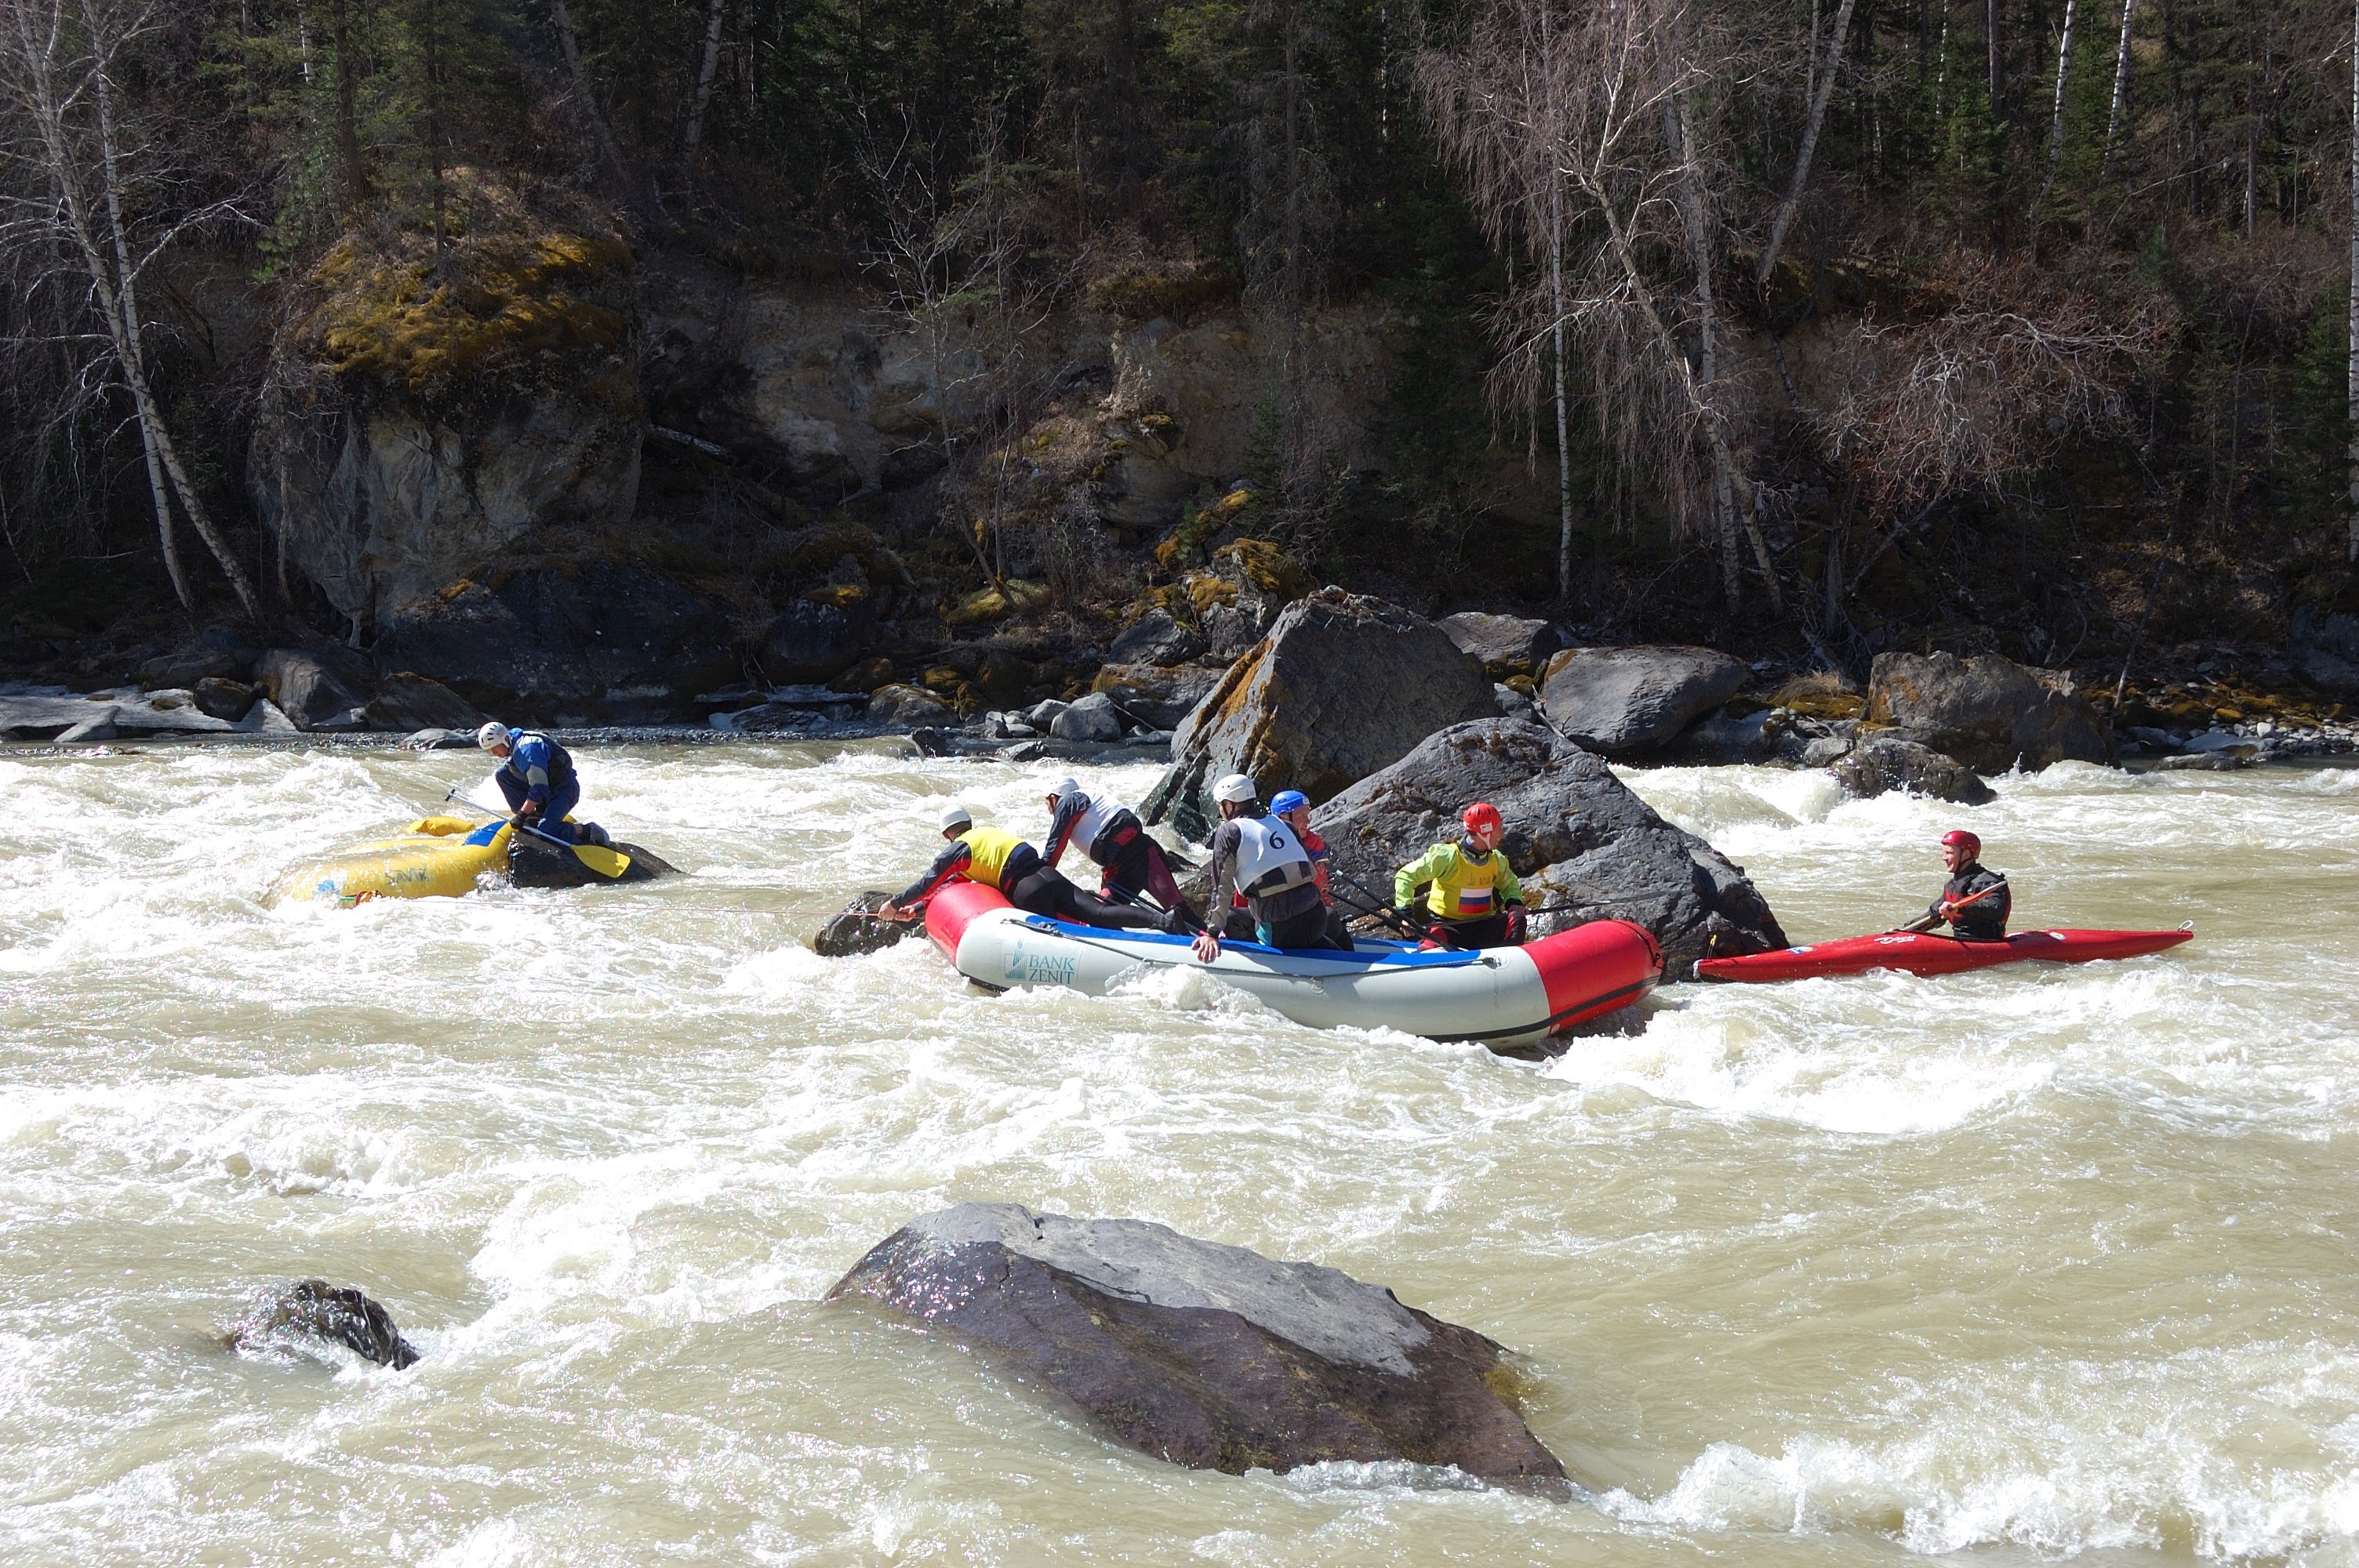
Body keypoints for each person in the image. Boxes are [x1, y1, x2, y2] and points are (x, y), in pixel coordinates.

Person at [881, 804, 1175, 931]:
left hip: (1027, 891)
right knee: (1099, 914)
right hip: (1048, 876)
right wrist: (916, 909)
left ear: (946, 833)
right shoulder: (988, 833)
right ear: (968, 823)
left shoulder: (958, 850)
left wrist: (894, 904)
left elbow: (932, 882)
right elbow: (950, 884)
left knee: (1061, 939)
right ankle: (1163, 922)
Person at [1190, 773, 1339, 960]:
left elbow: (1222, 887)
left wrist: (1211, 934)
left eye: (1220, 806)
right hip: (1318, 919)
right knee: (1299, 924)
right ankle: (1341, 957)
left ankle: (1270, 962)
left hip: (1281, 932)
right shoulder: (1285, 825)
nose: (1220, 812)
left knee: (1230, 918)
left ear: (1229, 805)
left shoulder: (1229, 831)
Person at [1041, 777, 1194, 925]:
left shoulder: (1068, 801)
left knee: (1178, 911)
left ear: (1054, 798)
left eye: (1047, 803)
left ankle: (1206, 937)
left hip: (1143, 857)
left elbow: (1054, 848)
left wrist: (1039, 874)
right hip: (1119, 868)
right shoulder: (1083, 800)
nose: (1049, 811)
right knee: (1100, 916)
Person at [1390, 802, 1527, 949]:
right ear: (1485, 833)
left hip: (1484, 926)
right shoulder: (1447, 857)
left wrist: (1514, 902)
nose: (1501, 834)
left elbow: (1509, 884)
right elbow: (1405, 876)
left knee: (1517, 919)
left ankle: (1507, 960)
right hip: (1449, 928)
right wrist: (1406, 916)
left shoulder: (1497, 860)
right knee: (1429, 947)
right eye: (1499, 829)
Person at [478, 721, 609, 846]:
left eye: (494, 748)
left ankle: (587, 830)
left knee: (546, 831)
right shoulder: (512, 743)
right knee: (502, 774)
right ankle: (532, 819)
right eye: (489, 751)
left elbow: (539, 787)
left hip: (565, 790)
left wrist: (521, 815)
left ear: (505, 739)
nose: (493, 753)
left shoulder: (528, 749)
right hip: (547, 790)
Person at [1269, 788, 1354, 950]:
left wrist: (1327, 907)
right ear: (1283, 817)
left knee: (1330, 917)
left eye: (1308, 815)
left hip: (1309, 914)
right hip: (1279, 917)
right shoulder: (1267, 845)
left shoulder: (1313, 842)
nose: (1307, 821)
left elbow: (1321, 886)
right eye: (1301, 816)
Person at [1910, 829, 2010, 940]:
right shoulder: (1952, 886)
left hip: (1987, 942)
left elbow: (1995, 908)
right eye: (1944, 853)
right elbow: (1932, 916)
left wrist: (1961, 908)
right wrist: (1903, 932)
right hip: (1961, 941)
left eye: (1949, 853)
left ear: (1966, 855)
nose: (1944, 858)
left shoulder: (1989, 881)